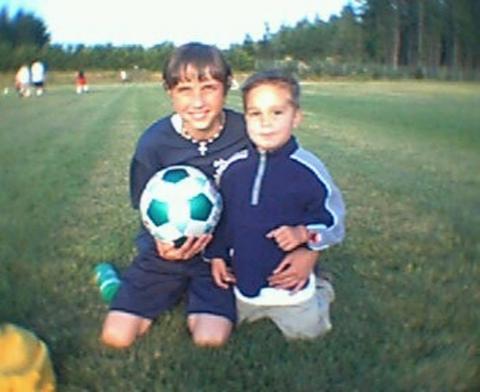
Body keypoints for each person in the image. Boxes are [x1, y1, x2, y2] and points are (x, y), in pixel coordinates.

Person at [101, 43, 319, 348]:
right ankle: (117, 283)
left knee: (210, 339)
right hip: (166, 254)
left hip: (222, 259)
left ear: (227, 86)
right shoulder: (154, 144)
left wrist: (308, 250)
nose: (198, 101)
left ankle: (188, 293)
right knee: (116, 338)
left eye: (209, 87)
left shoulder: (249, 132)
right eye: (184, 90)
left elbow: (292, 191)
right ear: (169, 92)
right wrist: (162, 246)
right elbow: (145, 208)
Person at [205, 70, 346, 339]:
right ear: (245, 118)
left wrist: (303, 234)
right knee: (227, 324)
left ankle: (321, 289)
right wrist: (217, 255)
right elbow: (221, 219)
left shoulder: (308, 170)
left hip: (291, 288)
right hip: (244, 285)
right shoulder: (233, 170)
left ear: (296, 118)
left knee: (308, 335)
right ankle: (251, 303)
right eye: (255, 114)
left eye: (277, 113)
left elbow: (333, 221)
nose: (265, 123)